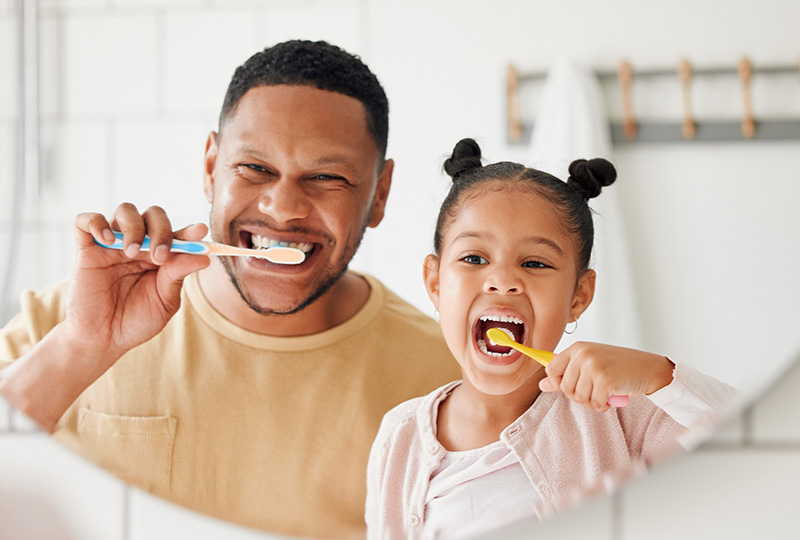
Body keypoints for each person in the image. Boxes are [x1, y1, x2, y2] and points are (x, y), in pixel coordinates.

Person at [0, 40, 460, 539]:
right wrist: (81, 349)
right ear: (210, 167)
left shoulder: (446, 381)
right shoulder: (63, 325)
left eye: (327, 176)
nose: (284, 208)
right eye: (256, 168)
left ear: (379, 193)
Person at [365, 138, 738, 539]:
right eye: (474, 258)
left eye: (535, 263)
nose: (503, 281)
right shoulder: (398, 436)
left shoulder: (623, 417)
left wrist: (657, 375)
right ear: (436, 282)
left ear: (579, 297)